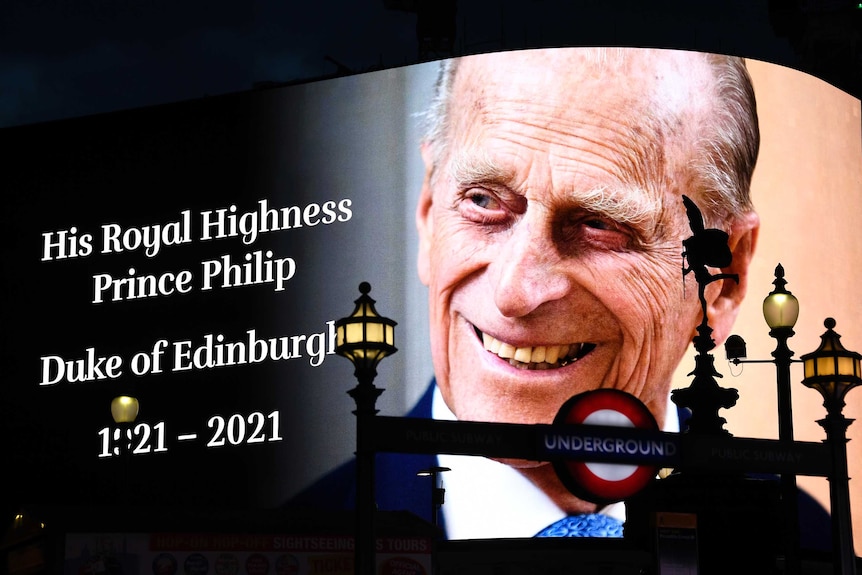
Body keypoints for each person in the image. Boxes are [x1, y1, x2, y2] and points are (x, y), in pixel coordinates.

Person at [289, 47, 829, 547]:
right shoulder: (293, 546)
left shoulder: (802, 542)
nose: (514, 292)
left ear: (722, 276)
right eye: (482, 201)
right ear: (430, 212)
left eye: (600, 225)